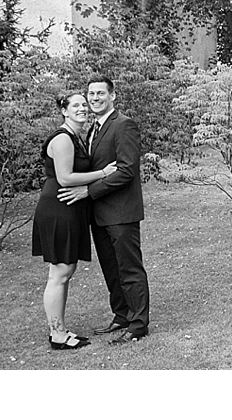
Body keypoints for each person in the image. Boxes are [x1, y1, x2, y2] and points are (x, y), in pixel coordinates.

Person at [58, 74, 149, 345]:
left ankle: (138, 325)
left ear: (112, 96)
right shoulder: (93, 128)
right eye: (91, 94)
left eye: (100, 93)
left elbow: (126, 170)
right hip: (99, 215)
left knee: (129, 269)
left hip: (121, 212)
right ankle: (122, 315)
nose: (95, 98)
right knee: (111, 268)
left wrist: (89, 191)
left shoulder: (123, 125)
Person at [32, 92, 117, 350]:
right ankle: (57, 334)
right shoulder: (62, 139)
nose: (82, 108)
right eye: (75, 105)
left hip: (70, 208)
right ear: (64, 111)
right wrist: (103, 173)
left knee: (64, 271)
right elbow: (65, 178)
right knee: (60, 273)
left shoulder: (75, 137)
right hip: (59, 208)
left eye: (84, 104)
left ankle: (59, 330)